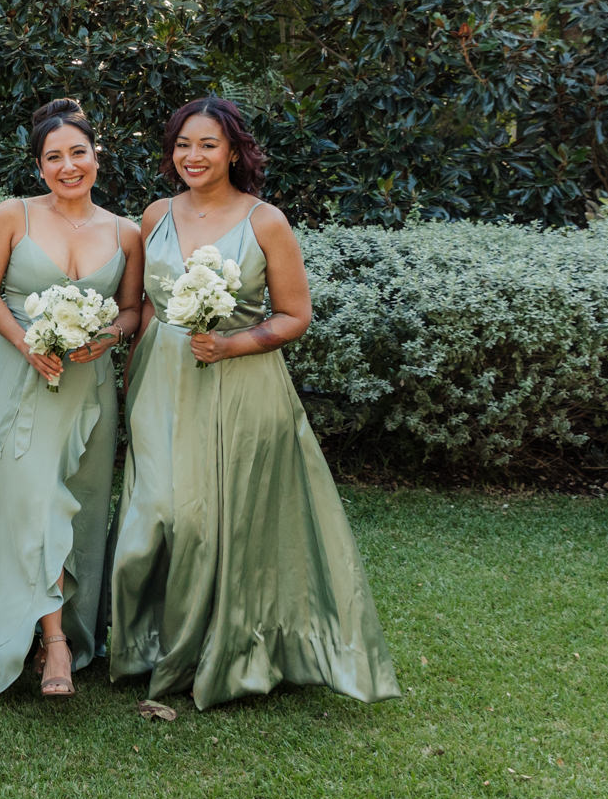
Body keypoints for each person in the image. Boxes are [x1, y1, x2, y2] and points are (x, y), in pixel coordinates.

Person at [111, 96, 400, 710]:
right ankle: (147, 642)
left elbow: (296, 315)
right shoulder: (155, 214)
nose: (193, 155)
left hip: (241, 386)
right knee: (156, 513)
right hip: (162, 381)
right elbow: (140, 310)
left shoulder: (264, 221)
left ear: (235, 151)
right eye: (184, 144)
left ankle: (225, 650)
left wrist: (232, 343)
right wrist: (130, 380)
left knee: (214, 520)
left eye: (208, 145)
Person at [0, 99, 140, 697]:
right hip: (21, 375)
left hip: (90, 385)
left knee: (78, 506)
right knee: (34, 503)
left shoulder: (126, 232)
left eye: (78, 153)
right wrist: (25, 340)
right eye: (54, 157)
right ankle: (53, 646)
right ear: (39, 167)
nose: (68, 166)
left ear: (96, 156)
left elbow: (134, 310)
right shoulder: (13, 217)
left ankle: (56, 629)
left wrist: (107, 334)